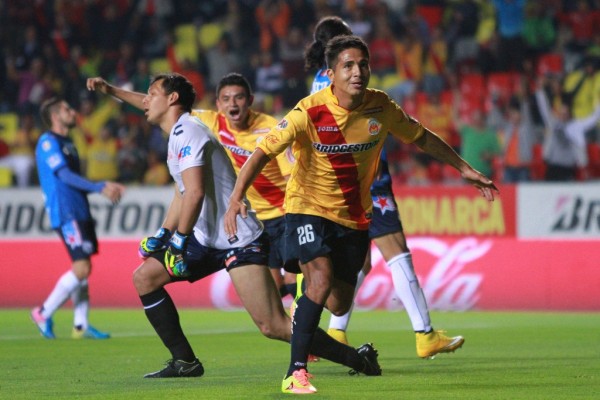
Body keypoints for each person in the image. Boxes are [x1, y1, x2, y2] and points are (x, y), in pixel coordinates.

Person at [225, 34, 498, 394]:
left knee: (339, 302)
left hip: (353, 217)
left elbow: (421, 137)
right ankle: (296, 372)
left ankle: (306, 294)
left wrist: (462, 168)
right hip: (307, 206)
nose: (357, 72)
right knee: (320, 279)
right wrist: (236, 197)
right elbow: (262, 153)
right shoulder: (308, 111)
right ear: (331, 74)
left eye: (363, 64)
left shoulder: (380, 107)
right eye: (348, 65)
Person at [86, 73, 381, 382]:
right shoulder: (179, 132)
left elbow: (195, 193)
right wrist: (164, 234)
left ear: (172, 99)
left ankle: (357, 359)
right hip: (207, 238)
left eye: (151, 94)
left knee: (274, 326)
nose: (145, 101)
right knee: (145, 278)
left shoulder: (188, 131)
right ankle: (185, 361)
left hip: (239, 238)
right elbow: (182, 192)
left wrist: (179, 241)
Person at [304, 15, 468, 359]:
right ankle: (424, 334)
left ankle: (335, 331)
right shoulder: (344, 82)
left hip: (338, 181)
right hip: (366, 179)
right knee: (396, 250)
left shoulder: (320, 81)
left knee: (359, 263)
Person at [31, 97, 125, 339]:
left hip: (79, 209)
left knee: (83, 266)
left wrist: (99, 186)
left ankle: (80, 325)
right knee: (82, 268)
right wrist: (99, 187)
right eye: (67, 109)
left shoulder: (69, 143)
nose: (72, 112)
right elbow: (63, 176)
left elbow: (75, 180)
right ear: (55, 116)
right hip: (65, 211)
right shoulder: (47, 142)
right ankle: (43, 312)